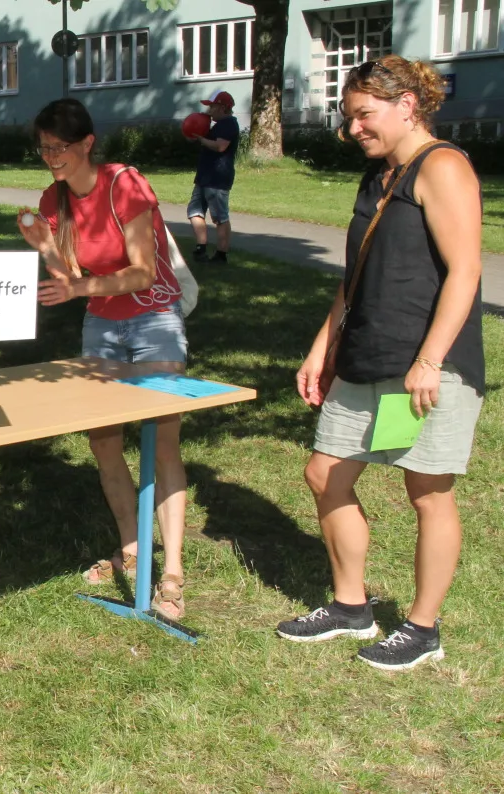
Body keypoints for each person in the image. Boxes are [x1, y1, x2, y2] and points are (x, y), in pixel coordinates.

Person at [278, 56, 485, 671]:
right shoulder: (381, 176)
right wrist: (323, 346)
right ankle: (351, 606)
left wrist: (429, 359)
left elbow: (466, 271)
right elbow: (356, 276)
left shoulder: (442, 166)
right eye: (349, 118)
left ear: (407, 106)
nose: (354, 129)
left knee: (427, 489)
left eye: (364, 115)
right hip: (368, 355)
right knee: (325, 474)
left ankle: (422, 628)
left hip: (424, 365)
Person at [16, 98, 189, 620]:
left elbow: (142, 272)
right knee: (104, 442)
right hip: (102, 323)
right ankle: (132, 549)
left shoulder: (123, 184)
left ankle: (173, 573)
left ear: (87, 143)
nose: (51, 157)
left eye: (59, 147)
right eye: (44, 148)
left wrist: (78, 288)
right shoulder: (53, 199)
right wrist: (44, 247)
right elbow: (68, 276)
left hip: (154, 317)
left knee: (162, 442)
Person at [185, 89, 239, 264]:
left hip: (218, 178)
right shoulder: (216, 125)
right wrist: (194, 134)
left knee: (219, 217)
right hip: (204, 176)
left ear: (222, 108)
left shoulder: (229, 124)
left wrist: (202, 139)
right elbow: (203, 139)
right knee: (194, 211)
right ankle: (201, 248)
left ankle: (221, 254)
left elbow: (220, 146)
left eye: (212, 107)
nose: (209, 111)